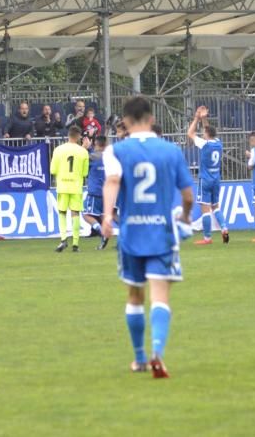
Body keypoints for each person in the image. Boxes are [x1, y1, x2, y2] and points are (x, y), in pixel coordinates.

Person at [101, 95, 194, 379]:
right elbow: (188, 194)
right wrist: (186, 216)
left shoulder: (115, 151)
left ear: (126, 123)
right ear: (152, 119)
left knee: (134, 294)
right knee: (160, 297)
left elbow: (113, 181)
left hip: (131, 233)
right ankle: (157, 352)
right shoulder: (171, 150)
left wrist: (106, 217)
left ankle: (139, 359)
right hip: (162, 233)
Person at [186, 106, 227, 245]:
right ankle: (224, 228)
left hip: (205, 179)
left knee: (205, 209)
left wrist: (197, 118)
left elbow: (190, 133)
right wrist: (204, 118)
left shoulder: (204, 144)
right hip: (216, 179)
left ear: (206, 134)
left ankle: (207, 238)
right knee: (216, 207)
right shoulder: (218, 143)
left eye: (204, 133)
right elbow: (208, 130)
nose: (202, 134)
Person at [50, 126, 90, 253]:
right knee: (75, 213)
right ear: (78, 137)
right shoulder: (83, 152)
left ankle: (63, 240)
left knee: (62, 212)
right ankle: (76, 244)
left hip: (62, 185)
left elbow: (52, 170)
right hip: (76, 186)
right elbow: (85, 173)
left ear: (68, 135)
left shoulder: (58, 149)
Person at [82, 135, 110, 249]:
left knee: (86, 215)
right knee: (102, 216)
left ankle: (102, 232)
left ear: (96, 144)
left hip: (95, 191)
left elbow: (81, 160)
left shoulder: (92, 157)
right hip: (107, 191)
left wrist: (85, 148)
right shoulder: (110, 157)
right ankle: (104, 238)